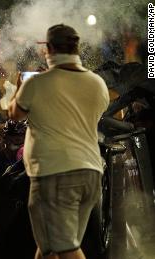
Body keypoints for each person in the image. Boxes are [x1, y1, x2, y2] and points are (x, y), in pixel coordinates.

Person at [8, 24, 109, 259]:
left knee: (65, 248)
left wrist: (18, 88)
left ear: (49, 49)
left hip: (54, 174)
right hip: (90, 173)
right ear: (77, 48)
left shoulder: (37, 83)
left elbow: (15, 114)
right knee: (50, 248)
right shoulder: (97, 83)